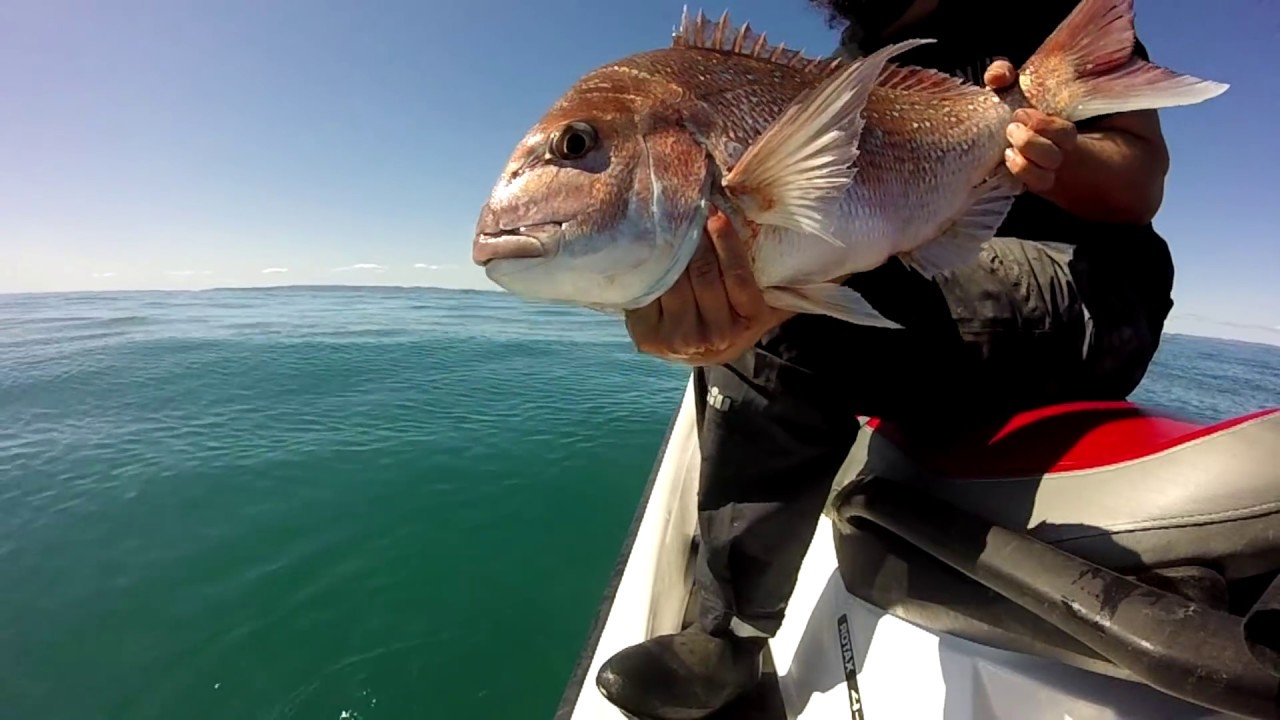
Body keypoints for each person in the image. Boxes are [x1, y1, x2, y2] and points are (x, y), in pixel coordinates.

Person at [594, 0, 1179, 717]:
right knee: (762, 298)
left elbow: (1141, 185)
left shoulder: (1039, 20)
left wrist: (1054, 156)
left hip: (1090, 292)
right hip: (939, 285)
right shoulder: (850, 70)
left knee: (786, 317)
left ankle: (729, 635)